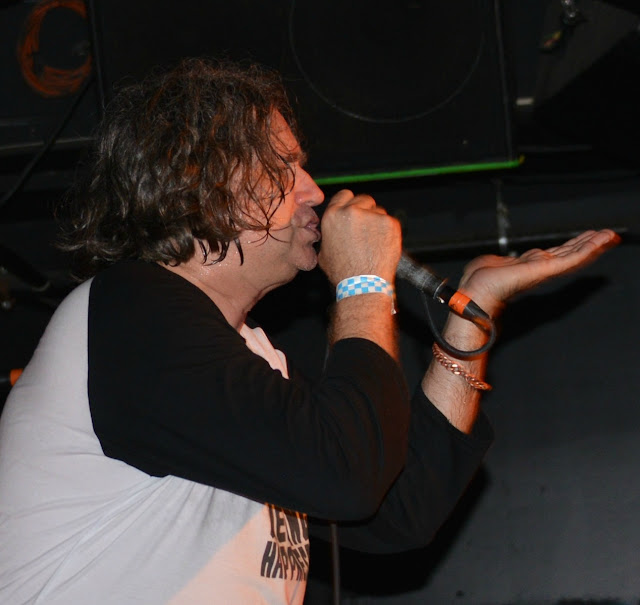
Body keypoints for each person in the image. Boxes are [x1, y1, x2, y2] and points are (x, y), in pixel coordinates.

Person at [0, 57, 619, 605]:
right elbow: (345, 475)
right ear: (201, 177)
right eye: (285, 165)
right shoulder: (129, 310)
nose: (315, 191)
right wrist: (362, 283)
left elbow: (402, 508)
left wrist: (468, 316)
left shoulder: (250, 355)